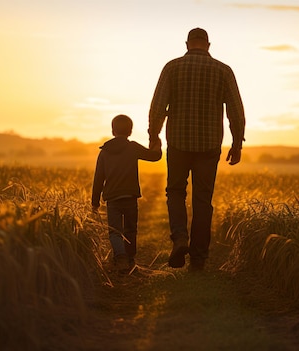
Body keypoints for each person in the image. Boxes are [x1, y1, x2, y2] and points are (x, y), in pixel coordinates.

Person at [148, 27, 246, 271]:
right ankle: (199, 258)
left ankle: (180, 238)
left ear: (187, 43)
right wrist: (236, 143)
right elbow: (236, 112)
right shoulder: (223, 70)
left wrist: (154, 136)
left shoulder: (172, 67)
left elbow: (158, 106)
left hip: (179, 143)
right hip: (209, 144)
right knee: (203, 200)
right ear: (208, 44)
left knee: (176, 192)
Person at [92, 114, 162, 274]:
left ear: (112, 130)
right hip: (130, 197)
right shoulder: (133, 147)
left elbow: (98, 179)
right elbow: (155, 156)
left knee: (115, 231)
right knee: (131, 230)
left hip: (113, 199)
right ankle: (130, 260)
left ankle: (121, 257)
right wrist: (157, 143)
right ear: (130, 131)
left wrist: (95, 202)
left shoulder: (104, 152)